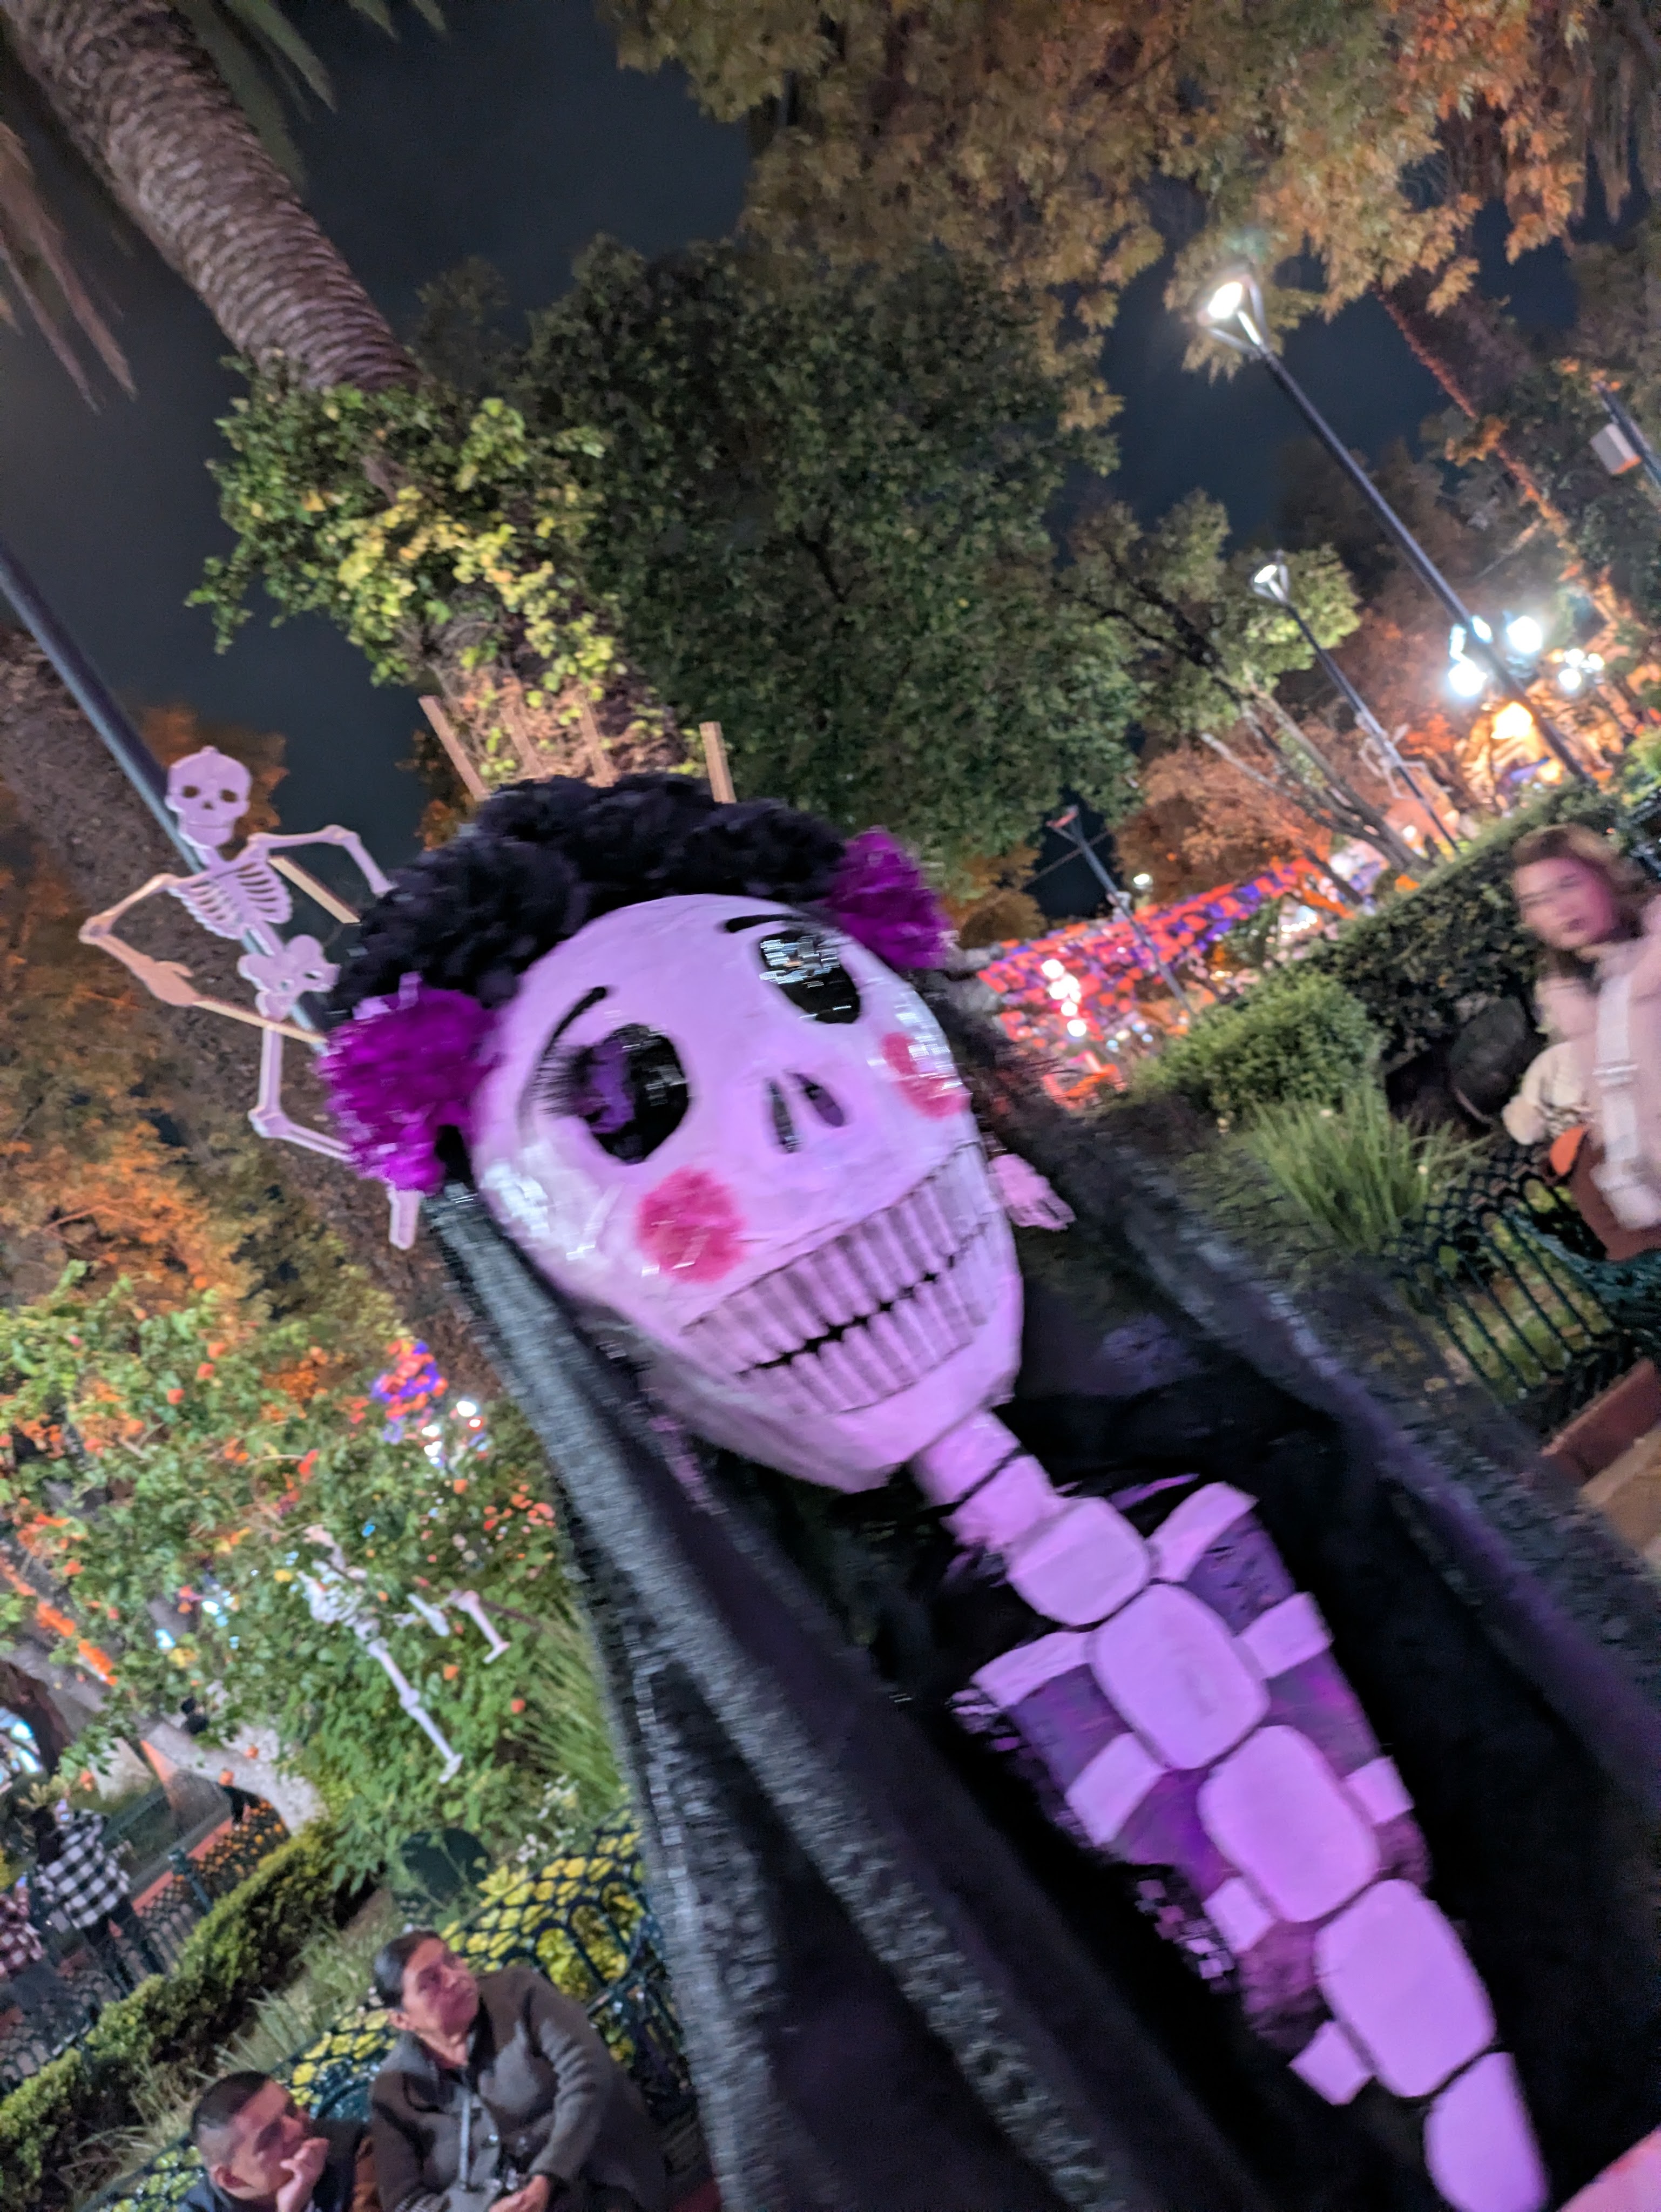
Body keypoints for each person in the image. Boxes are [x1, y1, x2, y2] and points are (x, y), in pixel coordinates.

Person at [369, 1930, 667, 2212]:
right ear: (401, 2020)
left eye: (452, 1960)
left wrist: (547, 2176)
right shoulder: (394, 2091)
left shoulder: (516, 1993)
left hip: (595, 2175)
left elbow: (586, 2073)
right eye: (431, 1981)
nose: (453, 1978)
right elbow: (406, 2203)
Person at [1513, 822, 1661, 1255]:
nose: (1558, 909)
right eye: (1536, 901)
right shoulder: (1568, 994)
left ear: (1605, 876)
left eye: (1568, 885)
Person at [184, 2071, 378, 2212]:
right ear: (231, 2179)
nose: (296, 2128)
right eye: (271, 2135)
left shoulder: (351, 2148)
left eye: (291, 2110)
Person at [26, 1800, 165, 1990]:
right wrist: (68, 1815)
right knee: (139, 1938)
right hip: (112, 1894)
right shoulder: (78, 1832)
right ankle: (159, 1975)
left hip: (86, 1915)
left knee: (109, 1957)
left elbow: (49, 1897)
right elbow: (101, 1819)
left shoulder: (42, 1864)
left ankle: (129, 1990)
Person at [0, 1872, 86, 2047]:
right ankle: (78, 2028)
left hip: (11, 1970)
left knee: (33, 2008)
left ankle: (53, 2044)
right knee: (58, 1992)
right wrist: (22, 1894)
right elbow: (21, 1917)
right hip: (27, 1958)